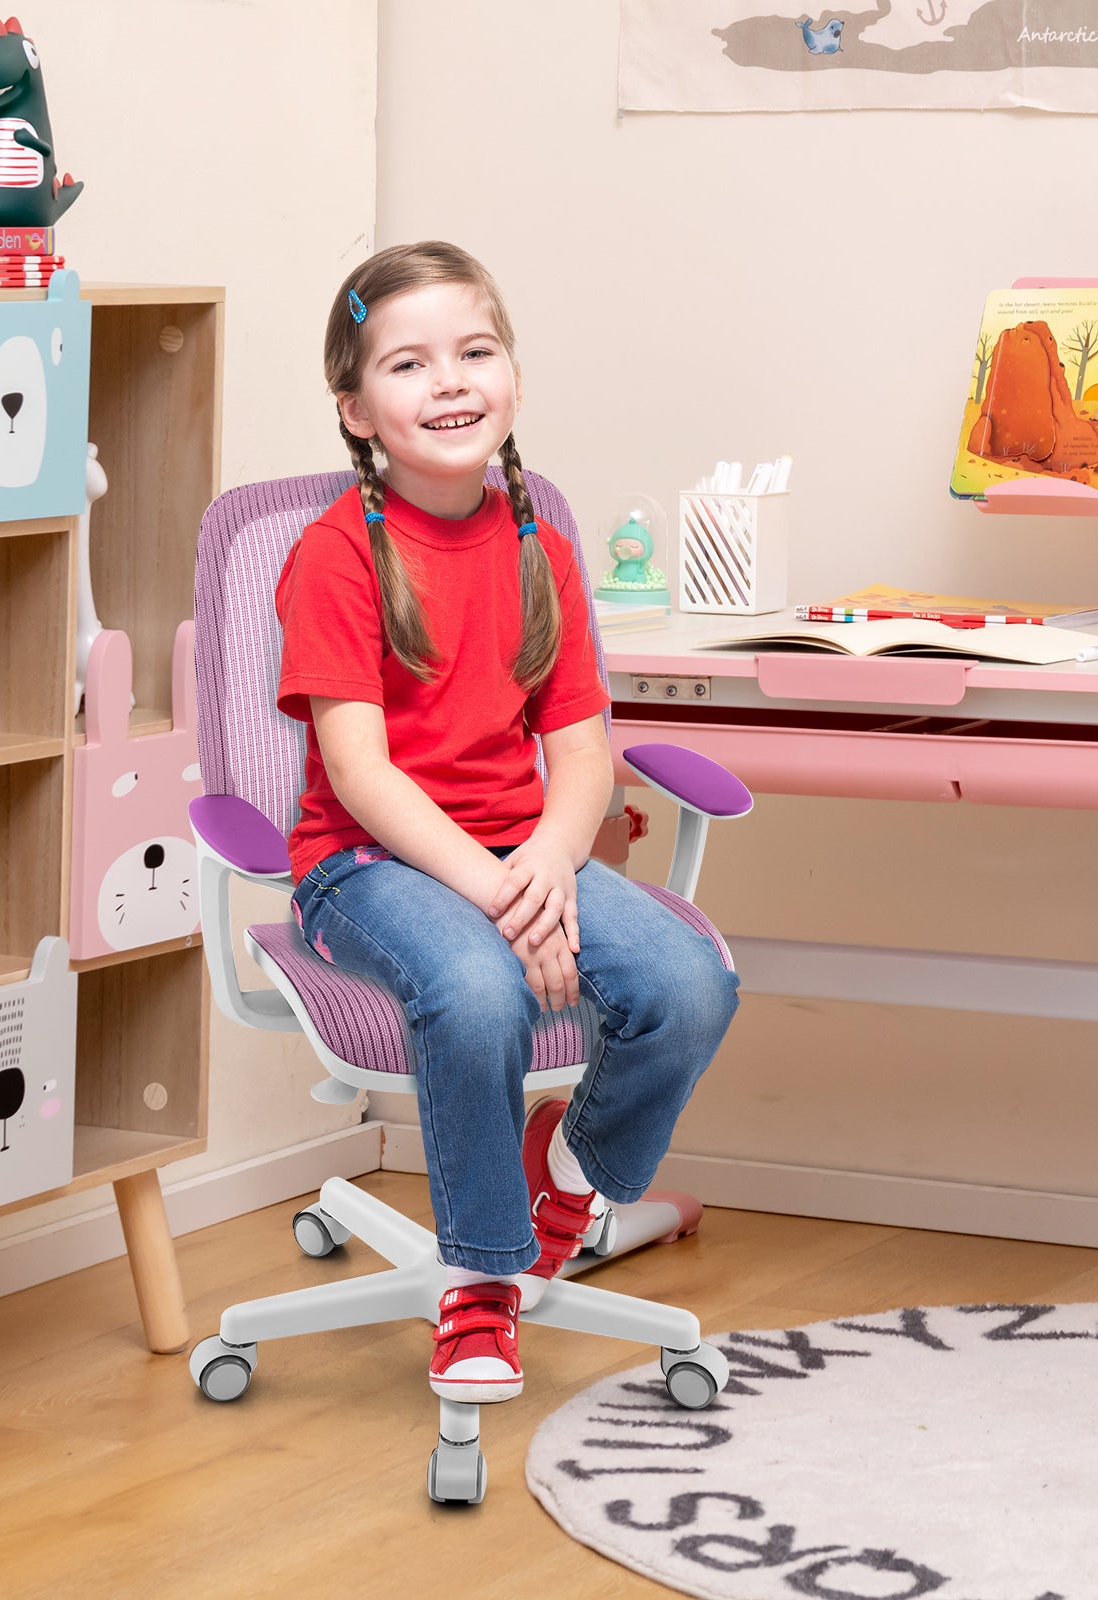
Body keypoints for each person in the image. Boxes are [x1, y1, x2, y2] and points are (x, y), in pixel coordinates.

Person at [275, 241, 741, 1403]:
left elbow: (581, 754)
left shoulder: (544, 552)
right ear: (356, 409)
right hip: (365, 865)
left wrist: (544, 859)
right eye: (407, 363)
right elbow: (360, 774)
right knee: (479, 991)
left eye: (475, 352)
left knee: (688, 981)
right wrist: (501, 898)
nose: (449, 381)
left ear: (514, 380)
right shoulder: (335, 556)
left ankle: (570, 1168)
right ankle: (481, 1279)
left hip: (513, 851)